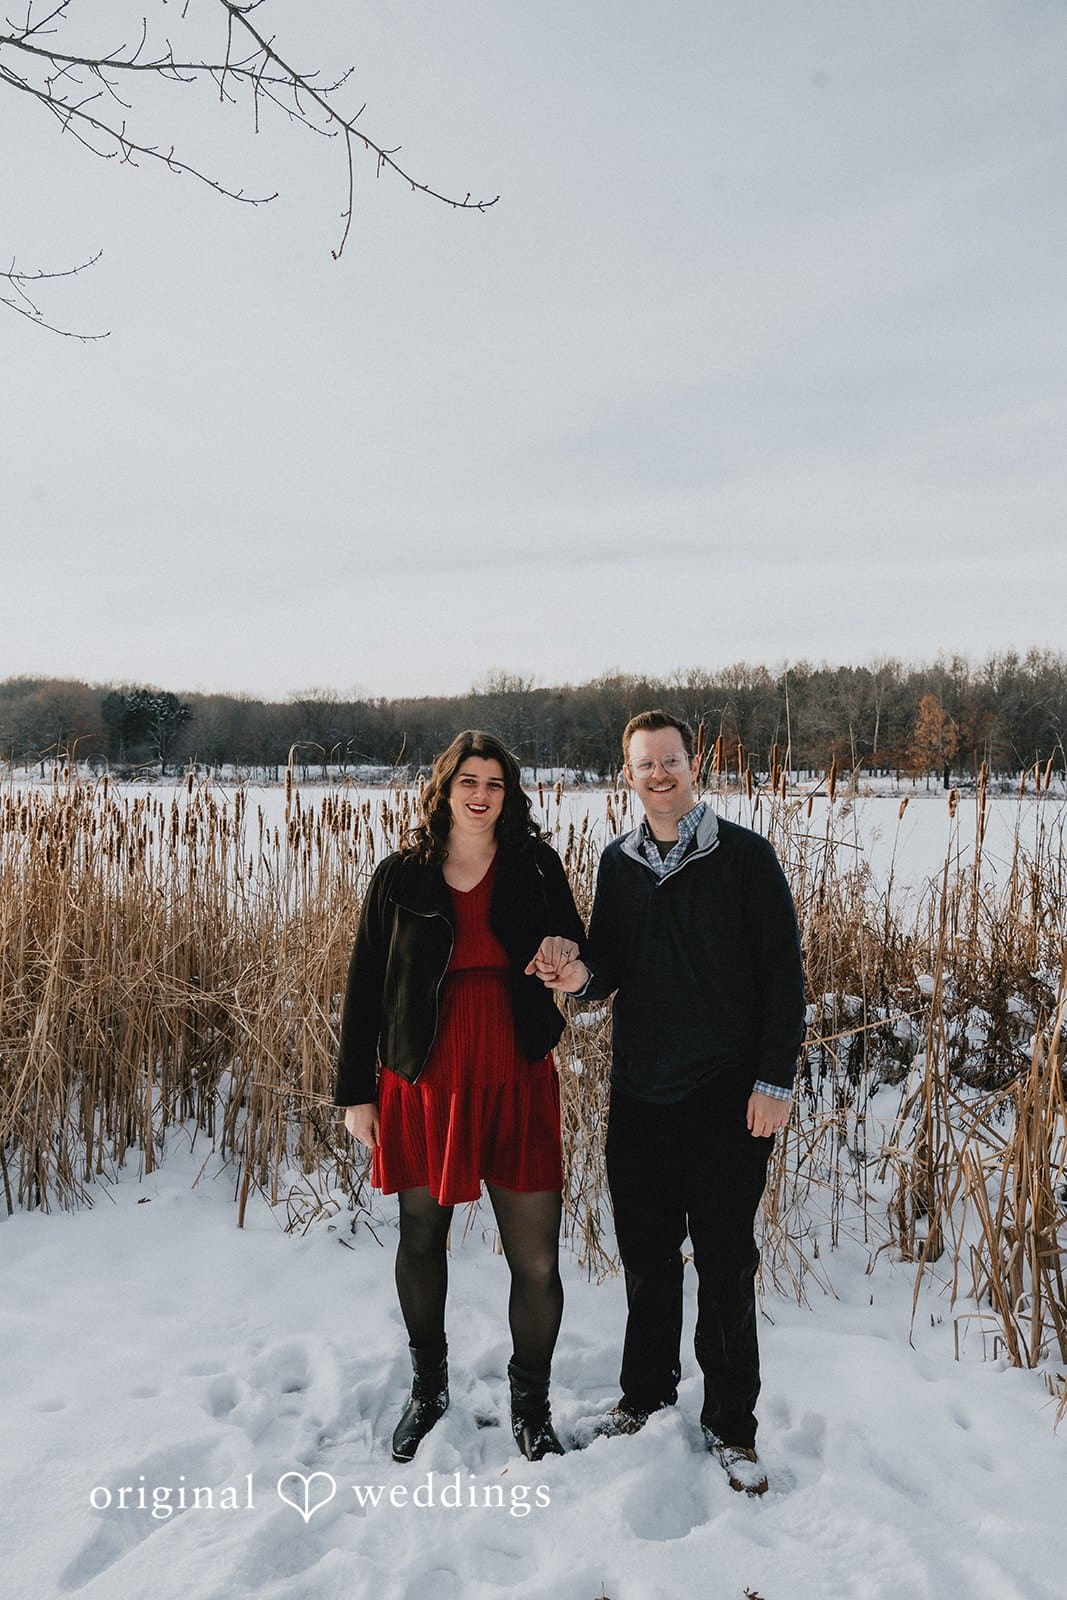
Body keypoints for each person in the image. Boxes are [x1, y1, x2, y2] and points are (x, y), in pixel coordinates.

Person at [530, 710, 805, 1496]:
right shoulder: (617, 863)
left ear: (695, 766)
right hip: (640, 1096)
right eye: (644, 763)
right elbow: (610, 963)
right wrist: (576, 978)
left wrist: (773, 1083)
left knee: (724, 1265)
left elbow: (783, 977)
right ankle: (645, 1400)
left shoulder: (746, 858)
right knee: (648, 1264)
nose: (659, 774)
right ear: (627, 775)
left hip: (727, 1100)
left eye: (671, 760)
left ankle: (731, 1427)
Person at [335, 730, 586, 1464]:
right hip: (424, 1077)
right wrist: (356, 1092)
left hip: (514, 1070)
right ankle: (427, 1388)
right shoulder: (400, 876)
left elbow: (573, 939)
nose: (480, 794)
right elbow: (364, 989)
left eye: (495, 784)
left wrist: (566, 953)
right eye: (468, 781)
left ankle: (530, 1404)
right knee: (420, 1237)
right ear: (443, 789)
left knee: (535, 1258)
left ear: (508, 796)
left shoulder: (535, 866)